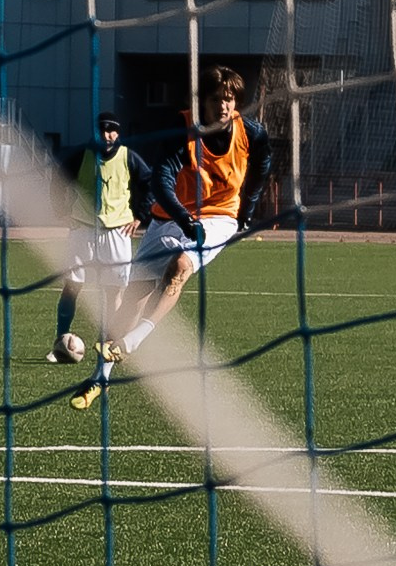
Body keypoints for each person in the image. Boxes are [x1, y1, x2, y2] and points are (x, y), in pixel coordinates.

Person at [72, 66, 271, 410]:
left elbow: (262, 167)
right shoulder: (181, 132)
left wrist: (246, 211)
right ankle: (99, 379)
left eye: (229, 100)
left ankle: (131, 344)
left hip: (220, 216)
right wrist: (182, 218)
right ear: (201, 103)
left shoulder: (251, 133)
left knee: (180, 266)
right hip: (172, 217)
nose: (224, 107)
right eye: (216, 100)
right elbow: (162, 182)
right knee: (131, 299)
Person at [47, 108, 138, 363]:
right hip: (82, 228)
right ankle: (60, 342)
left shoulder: (129, 156)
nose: (107, 134)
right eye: (102, 129)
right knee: (72, 285)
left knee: (114, 291)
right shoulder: (79, 154)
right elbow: (57, 179)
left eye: (112, 129)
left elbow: (150, 181)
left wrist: (141, 214)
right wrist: (61, 210)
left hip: (117, 231)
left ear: (118, 133)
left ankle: (109, 343)